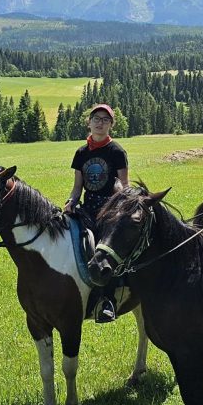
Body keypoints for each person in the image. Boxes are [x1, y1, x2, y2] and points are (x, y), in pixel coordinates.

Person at [63, 103, 129, 323]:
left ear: (111, 124)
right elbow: (77, 188)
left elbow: (125, 186)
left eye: (105, 119)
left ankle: (108, 299)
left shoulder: (116, 151)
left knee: (107, 249)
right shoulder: (81, 153)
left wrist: (119, 201)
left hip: (110, 209)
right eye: (96, 119)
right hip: (88, 208)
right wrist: (71, 202)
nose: (100, 123)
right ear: (89, 123)